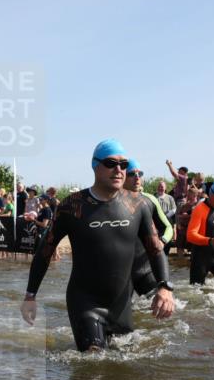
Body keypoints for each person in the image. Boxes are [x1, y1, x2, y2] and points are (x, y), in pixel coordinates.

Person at [20, 139, 175, 352]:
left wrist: (164, 287)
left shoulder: (137, 204)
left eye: (124, 164)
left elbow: (155, 249)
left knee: (123, 372)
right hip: (85, 303)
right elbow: (44, 252)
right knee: (93, 372)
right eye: (111, 163)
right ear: (95, 165)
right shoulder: (72, 206)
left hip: (121, 305)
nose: (119, 170)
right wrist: (30, 296)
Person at [124, 159, 174, 296]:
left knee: (162, 310)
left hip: (144, 269)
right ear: (122, 176)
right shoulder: (112, 201)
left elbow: (168, 227)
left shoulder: (150, 200)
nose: (137, 177)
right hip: (122, 274)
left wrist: (162, 241)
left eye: (140, 173)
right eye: (132, 174)